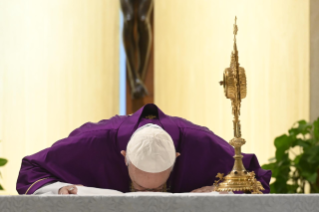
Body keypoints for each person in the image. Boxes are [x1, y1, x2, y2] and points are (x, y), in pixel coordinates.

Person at [16, 104, 271, 195]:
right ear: (124, 157)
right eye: (139, 187)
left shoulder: (199, 142)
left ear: (177, 159)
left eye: (159, 188)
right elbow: (31, 169)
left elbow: (257, 178)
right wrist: (59, 189)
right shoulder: (93, 141)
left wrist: (221, 190)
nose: (149, 197)